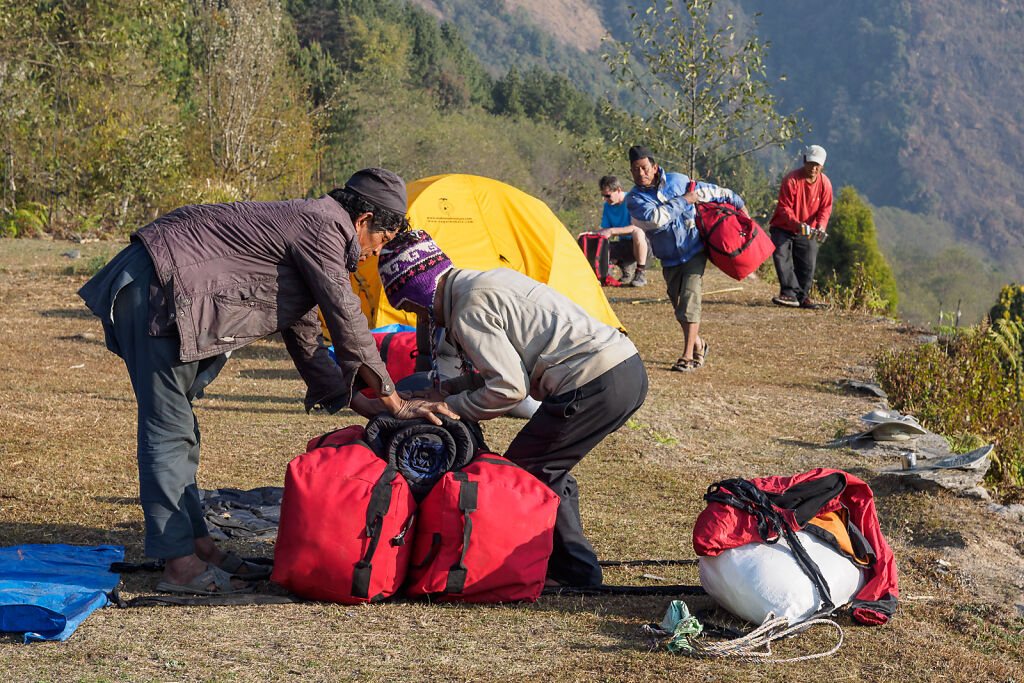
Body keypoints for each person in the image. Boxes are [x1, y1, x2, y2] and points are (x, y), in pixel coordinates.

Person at [78, 168, 457, 596]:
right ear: (364, 220)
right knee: (167, 429)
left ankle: (198, 546)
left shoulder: (314, 225)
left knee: (179, 428)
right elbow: (346, 316)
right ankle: (180, 565)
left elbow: (304, 330)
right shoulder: (324, 226)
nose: (374, 253)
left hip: (162, 283)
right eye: (381, 240)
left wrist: (357, 400)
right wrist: (395, 402)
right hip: (159, 288)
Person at [377, 230, 648, 588]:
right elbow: (508, 365)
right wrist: (450, 389)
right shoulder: (477, 282)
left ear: (421, 291)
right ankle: (573, 567)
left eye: (409, 307)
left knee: (525, 473)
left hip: (594, 381)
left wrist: (450, 405)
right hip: (621, 368)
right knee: (547, 465)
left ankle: (573, 573)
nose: (413, 316)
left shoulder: (467, 309)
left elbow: (509, 388)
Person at [625, 145, 748, 372]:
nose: (640, 174)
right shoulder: (634, 199)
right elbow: (656, 219)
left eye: (643, 168)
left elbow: (707, 191)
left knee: (690, 301)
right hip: (668, 259)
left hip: (694, 251)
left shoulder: (678, 181)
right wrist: (685, 200)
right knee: (679, 307)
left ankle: (687, 356)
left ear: (654, 167)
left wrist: (736, 201)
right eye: (635, 170)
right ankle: (700, 345)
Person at [768, 144, 834, 309]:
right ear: (805, 161)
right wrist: (797, 224)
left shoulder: (825, 184)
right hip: (783, 227)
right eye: (811, 163)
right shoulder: (791, 180)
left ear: (822, 166)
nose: (813, 168)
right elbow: (784, 208)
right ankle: (789, 294)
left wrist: (821, 226)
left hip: (808, 229)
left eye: (817, 165)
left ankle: (802, 297)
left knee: (807, 263)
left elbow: (825, 208)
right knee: (781, 258)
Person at [597, 175, 649, 287]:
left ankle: (640, 273)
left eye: (608, 195)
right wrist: (592, 235)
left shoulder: (632, 200)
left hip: (646, 245)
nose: (605, 199)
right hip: (625, 244)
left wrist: (612, 231)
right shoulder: (608, 206)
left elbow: (636, 227)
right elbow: (605, 230)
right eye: (603, 196)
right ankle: (615, 272)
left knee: (637, 232)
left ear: (618, 190)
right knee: (602, 246)